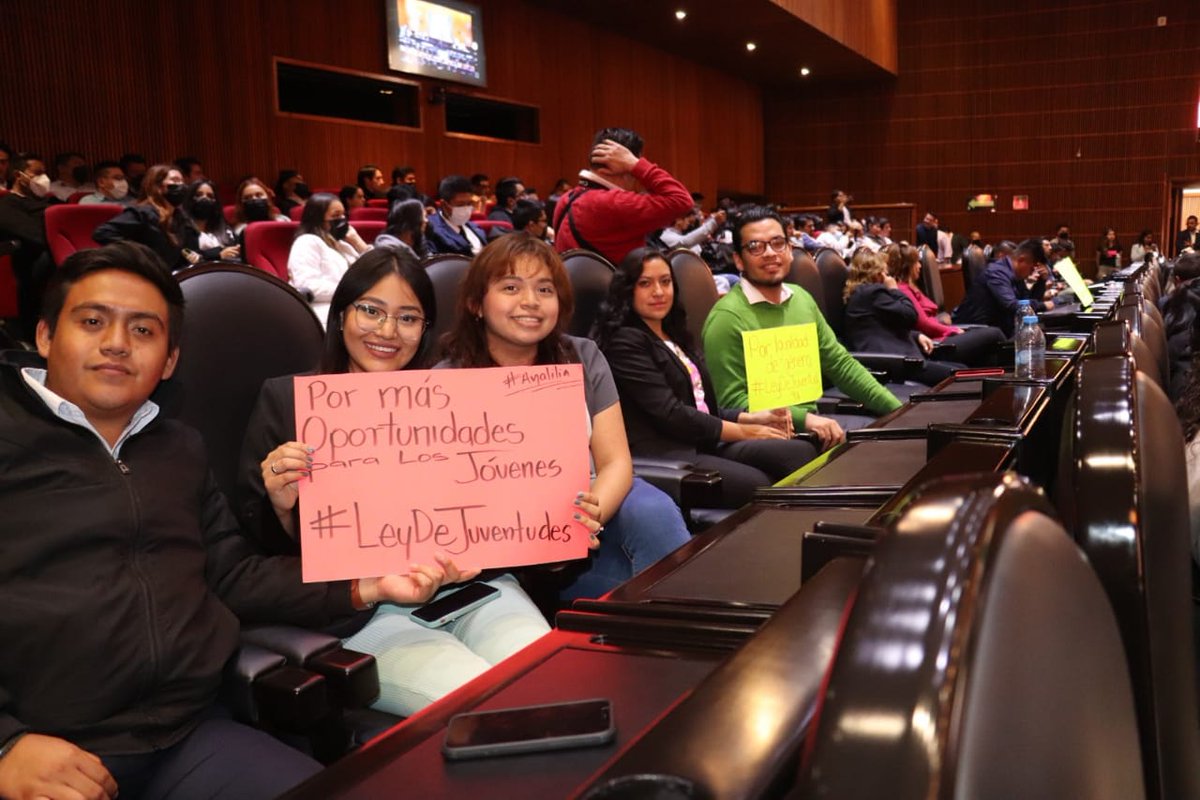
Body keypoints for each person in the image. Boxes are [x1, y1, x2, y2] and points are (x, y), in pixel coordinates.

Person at [0, 241, 454, 800]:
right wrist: (6, 744)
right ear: (45, 336)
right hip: (46, 748)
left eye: (143, 331)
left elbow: (236, 577)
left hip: (192, 735)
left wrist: (366, 587)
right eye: (93, 321)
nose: (117, 344)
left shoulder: (179, 447)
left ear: (169, 361)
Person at [237, 247, 547, 715]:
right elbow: (253, 554)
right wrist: (281, 507)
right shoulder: (286, 400)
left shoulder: (453, 398)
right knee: (490, 708)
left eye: (407, 318)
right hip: (361, 615)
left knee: (551, 683)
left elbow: (490, 507)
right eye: (371, 311)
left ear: (425, 331)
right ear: (341, 315)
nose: (386, 332)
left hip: (468, 589)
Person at [440, 233, 691, 600]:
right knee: (650, 590)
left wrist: (580, 521)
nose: (531, 302)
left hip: (587, 520)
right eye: (511, 287)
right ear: (477, 303)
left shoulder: (583, 356)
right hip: (498, 550)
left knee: (653, 511)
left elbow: (617, 463)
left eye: (545, 290)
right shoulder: (445, 383)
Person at [594, 247, 816, 507]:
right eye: (645, 284)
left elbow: (699, 404)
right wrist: (745, 432)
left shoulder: (673, 334)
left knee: (799, 452)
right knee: (758, 483)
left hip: (703, 439)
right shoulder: (624, 342)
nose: (658, 292)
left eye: (665, 282)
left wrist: (752, 417)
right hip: (670, 452)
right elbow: (672, 414)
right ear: (628, 290)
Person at [702, 206, 903, 452]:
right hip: (763, 438)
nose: (769, 253)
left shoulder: (801, 299)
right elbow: (732, 404)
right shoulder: (726, 318)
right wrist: (804, 419)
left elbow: (840, 365)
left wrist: (900, 411)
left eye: (777, 243)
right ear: (738, 259)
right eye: (756, 246)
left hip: (812, 426)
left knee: (895, 435)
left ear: (789, 249)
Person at [552, 127, 693, 265]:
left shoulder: (565, 199)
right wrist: (636, 165)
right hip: (615, 288)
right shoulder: (616, 203)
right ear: (622, 162)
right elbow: (681, 200)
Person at [843, 249, 966, 386]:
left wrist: (916, 335)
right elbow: (910, 315)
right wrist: (894, 289)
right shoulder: (873, 293)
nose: (888, 276)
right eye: (885, 272)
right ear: (877, 274)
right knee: (961, 375)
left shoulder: (863, 294)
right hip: (894, 362)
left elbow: (883, 326)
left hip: (899, 357)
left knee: (960, 369)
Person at [885, 242, 1003, 366]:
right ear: (907, 266)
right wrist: (952, 329)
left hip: (940, 337)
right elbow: (923, 324)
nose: (919, 266)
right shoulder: (903, 289)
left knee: (990, 354)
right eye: (916, 262)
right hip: (935, 344)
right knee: (994, 333)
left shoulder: (909, 287)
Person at [287, 193, 372, 324]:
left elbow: (375, 271)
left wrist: (359, 243)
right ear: (317, 219)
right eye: (336, 216)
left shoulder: (344, 245)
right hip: (323, 311)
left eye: (343, 214)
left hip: (354, 307)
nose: (342, 219)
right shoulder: (307, 242)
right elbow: (306, 285)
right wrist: (352, 291)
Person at [93, 163, 194, 271]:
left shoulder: (179, 217)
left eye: (182, 181)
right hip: (143, 276)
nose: (181, 185)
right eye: (175, 180)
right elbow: (103, 233)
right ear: (158, 186)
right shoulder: (143, 213)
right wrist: (139, 254)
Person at [0, 153, 54, 338]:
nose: (43, 179)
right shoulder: (7, 205)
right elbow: (36, 236)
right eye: (37, 173)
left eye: (44, 173)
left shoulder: (50, 202)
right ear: (18, 176)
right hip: (28, 261)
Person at [952, 238, 1052, 337]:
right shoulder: (997, 273)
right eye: (1032, 267)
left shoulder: (1015, 274)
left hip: (999, 329)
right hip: (977, 332)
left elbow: (1026, 301)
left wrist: (1041, 282)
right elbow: (1011, 305)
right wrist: (1044, 305)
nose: (1033, 272)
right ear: (1022, 260)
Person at [175, 180, 240, 262]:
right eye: (199, 195)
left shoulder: (225, 230)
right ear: (189, 199)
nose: (205, 198)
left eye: (210, 196)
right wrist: (218, 254)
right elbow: (185, 256)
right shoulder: (180, 229)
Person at [427, 175, 488, 256]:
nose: (466, 208)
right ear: (444, 204)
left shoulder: (475, 227)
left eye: (469, 204)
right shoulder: (430, 230)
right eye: (460, 205)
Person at [660, 208, 727, 254]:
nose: (688, 222)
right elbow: (685, 242)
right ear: (678, 220)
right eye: (687, 219)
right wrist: (713, 222)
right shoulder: (666, 234)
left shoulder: (679, 233)